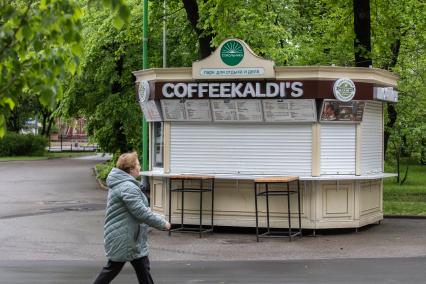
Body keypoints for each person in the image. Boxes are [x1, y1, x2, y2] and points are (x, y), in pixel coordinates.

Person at [93, 152, 171, 284]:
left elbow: (141, 210)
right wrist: (162, 223)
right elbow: (141, 212)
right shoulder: (128, 187)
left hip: (132, 237)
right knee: (112, 269)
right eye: (138, 164)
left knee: (142, 270)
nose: (140, 167)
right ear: (131, 169)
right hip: (124, 237)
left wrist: (159, 218)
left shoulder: (125, 184)